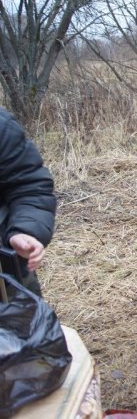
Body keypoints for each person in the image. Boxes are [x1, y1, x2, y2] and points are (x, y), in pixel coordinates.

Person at [0, 107, 57, 297]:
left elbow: (27, 184)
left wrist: (25, 228)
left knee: (27, 323)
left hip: (6, 272)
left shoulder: (2, 126)